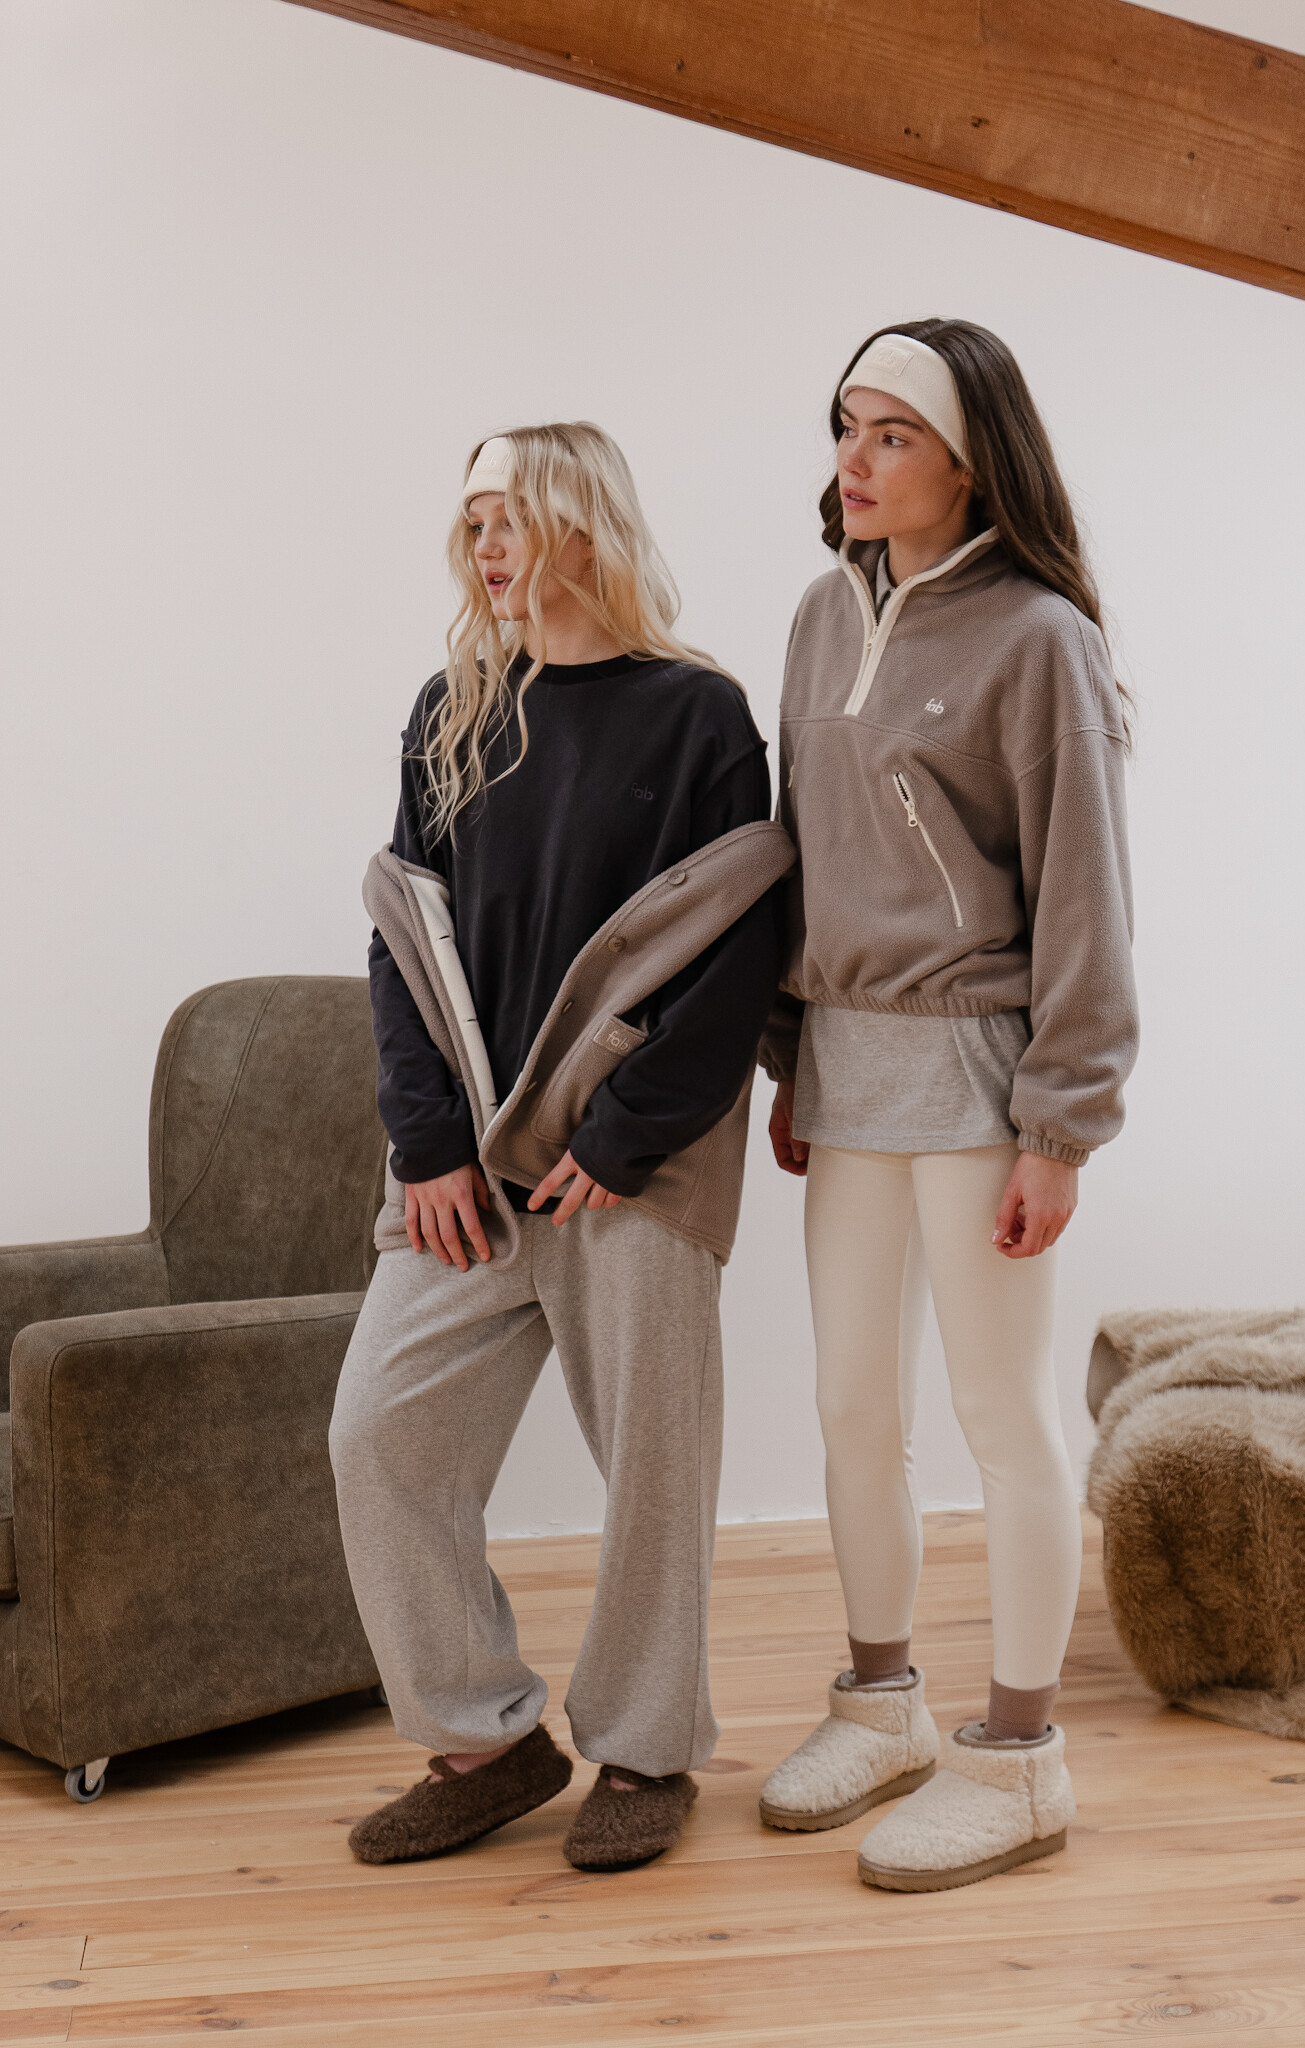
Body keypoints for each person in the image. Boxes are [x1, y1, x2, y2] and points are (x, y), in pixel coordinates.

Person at [330, 422, 790, 1874]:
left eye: (510, 517)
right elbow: (404, 939)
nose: (485, 547)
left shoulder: (699, 715)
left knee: (653, 1467)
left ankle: (646, 1754)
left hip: (627, 1167)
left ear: (583, 523)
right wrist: (425, 1145)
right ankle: (484, 1744)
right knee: (379, 1435)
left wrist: (630, 1134)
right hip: (469, 1163)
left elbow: (735, 944)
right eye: (471, 522)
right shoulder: (454, 710)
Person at [757, 321, 1139, 1891]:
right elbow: (790, 849)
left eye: (890, 433)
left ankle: (1019, 1758)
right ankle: (882, 1704)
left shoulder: (1039, 638)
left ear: (971, 460)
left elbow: (1086, 897)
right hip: (844, 1069)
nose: (852, 460)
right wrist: (788, 1054)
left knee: (1002, 1420)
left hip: (982, 1074)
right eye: (845, 427)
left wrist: (1061, 1126)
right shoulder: (815, 614)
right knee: (853, 1405)